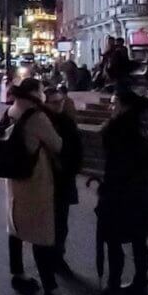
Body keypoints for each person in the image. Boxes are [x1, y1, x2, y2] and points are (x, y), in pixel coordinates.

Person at [3, 78, 81, 295]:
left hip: (15, 179)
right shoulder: (36, 117)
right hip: (36, 180)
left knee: (15, 227)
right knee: (42, 235)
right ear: (36, 93)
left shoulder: (12, 109)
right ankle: (52, 289)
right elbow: (58, 145)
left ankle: (18, 273)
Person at [90, 87, 148, 295]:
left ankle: (114, 288)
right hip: (140, 194)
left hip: (120, 194)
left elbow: (117, 164)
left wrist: (107, 189)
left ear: (124, 106)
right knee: (138, 241)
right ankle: (140, 284)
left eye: (114, 103)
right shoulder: (138, 128)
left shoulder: (118, 129)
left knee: (113, 241)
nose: (111, 107)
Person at [43, 86, 83, 276]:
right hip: (47, 180)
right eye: (54, 102)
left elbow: (77, 151)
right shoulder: (43, 122)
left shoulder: (67, 122)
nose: (59, 105)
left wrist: (71, 168)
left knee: (61, 223)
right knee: (49, 222)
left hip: (64, 179)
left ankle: (58, 257)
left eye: (61, 102)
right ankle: (49, 258)